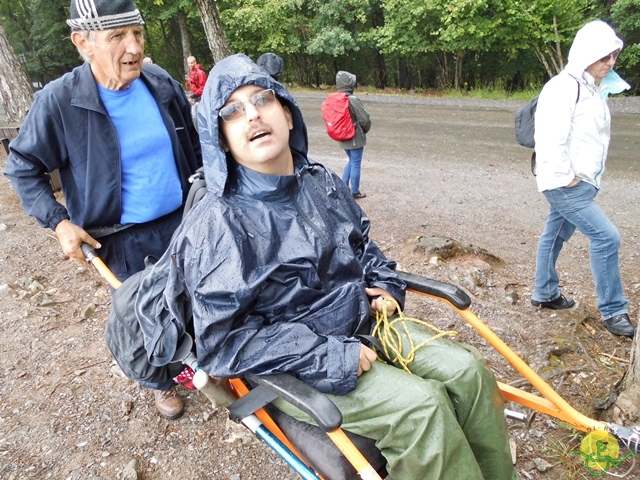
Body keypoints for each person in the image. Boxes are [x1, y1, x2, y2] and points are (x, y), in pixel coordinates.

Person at [135, 54, 517, 480]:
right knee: (421, 409)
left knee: (469, 373)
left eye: (263, 99)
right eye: (233, 111)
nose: (252, 115)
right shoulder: (220, 224)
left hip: (365, 320)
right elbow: (223, 343)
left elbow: (363, 246)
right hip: (299, 358)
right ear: (221, 137)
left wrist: (385, 283)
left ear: (288, 115)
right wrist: (327, 355)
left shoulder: (321, 181)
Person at [4, 0, 202, 419]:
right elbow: (23, 167)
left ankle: (201, 363)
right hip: (121, 239)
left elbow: (195, 148)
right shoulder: (60, 101)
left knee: (196, 299)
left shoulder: (159, 82)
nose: (133, 47)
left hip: (185, 221)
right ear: (83, 42)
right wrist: (59, 223)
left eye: (138, 33)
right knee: (144, 316)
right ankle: (159, 381)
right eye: (117, 37)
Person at [531, 20, 635, 339]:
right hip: (566, 183)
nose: (611, 62)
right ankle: (614, 311)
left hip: (582, 180)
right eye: (605, 56)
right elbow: (550, 137)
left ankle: (544, 293)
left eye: (614, 56)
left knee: (555, 234)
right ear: (587, 54)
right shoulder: (564, 87)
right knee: (607, 238)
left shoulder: (593, 87)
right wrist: (568, 178)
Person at [334, 71, 371, 199]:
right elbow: (364, 120)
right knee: (355, 163)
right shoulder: (352, 100)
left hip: (341, 136)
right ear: (350, 84)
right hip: (354, 137)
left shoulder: (337, 99)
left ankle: (343, 188)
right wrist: (364, 131)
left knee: (351, 161)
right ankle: (354, 191)